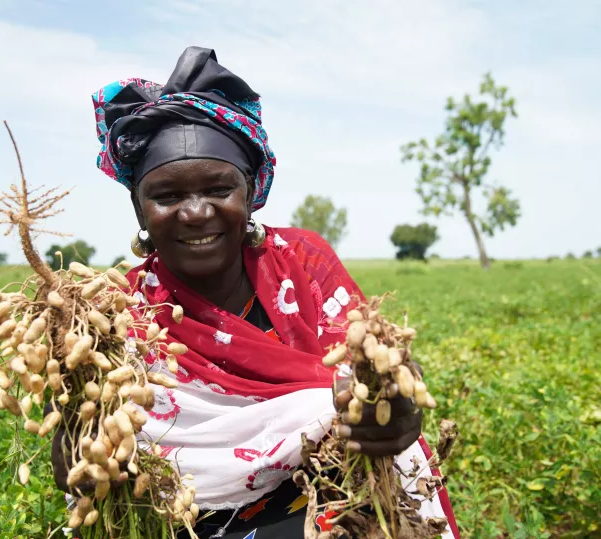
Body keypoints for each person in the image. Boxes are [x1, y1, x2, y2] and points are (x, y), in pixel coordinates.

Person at [53, 46, 459, 539]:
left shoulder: (301, 263)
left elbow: (375, 377)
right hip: (190, 521)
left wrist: (394, 411)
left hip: (328, 503)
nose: (196, 212)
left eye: (219, 190)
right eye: (167, 196)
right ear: (140, 212)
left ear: (250, 194)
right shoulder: (116, 312)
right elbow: (74, 466)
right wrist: (77, 444)